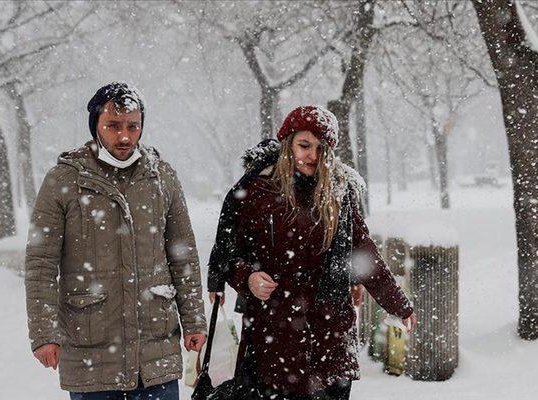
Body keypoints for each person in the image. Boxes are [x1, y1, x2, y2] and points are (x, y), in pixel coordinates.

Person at [207, 105, 416, 400]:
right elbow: (227, 253)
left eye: (321, 148)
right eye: (304, 145)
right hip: (273, 338)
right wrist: (248, 278)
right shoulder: (258, 191)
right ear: (288, 143)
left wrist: (398, 304)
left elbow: (364, 253)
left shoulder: (340, 193)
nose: (313, 156)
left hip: (329, 338)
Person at [25, 82, 207, 400]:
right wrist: (43, 333)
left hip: (155, 352)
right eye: (113, 126)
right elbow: (41, 263)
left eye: (132, 126)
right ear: (96, 125)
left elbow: (183, 255)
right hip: (91, 353)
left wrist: (194, 320)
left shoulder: (162, 178)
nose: (124, 136)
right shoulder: (64, 180)